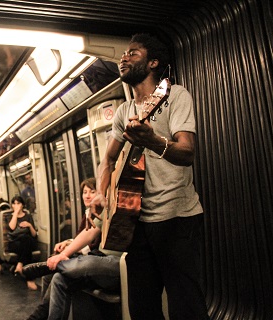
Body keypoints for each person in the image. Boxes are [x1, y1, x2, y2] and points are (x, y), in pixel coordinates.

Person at [92, 33, 208, 319]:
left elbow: (187, 152)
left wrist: (153, 140)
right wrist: (100, 192)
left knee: (186, 306)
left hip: (177, 218)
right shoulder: (124, 111)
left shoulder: (175, 96)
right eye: (123, 53)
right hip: (137, 222)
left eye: (133, 53)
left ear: (153, 62)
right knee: (142, 307)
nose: (124, 57)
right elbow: (107, 159)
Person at [25, 178, 120, 320]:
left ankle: (58, 266)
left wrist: (65, 253)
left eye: (93, 192)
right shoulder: (105, 210)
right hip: (98, 256)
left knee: (88, 262)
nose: (88, 196)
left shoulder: (129, 208)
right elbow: (88, 234)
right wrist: (64, 252)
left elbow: (90, 243)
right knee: (58, 278)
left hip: (114, 263)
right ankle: (42, 312)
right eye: (85, 192)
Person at [7, 195, 38, 290]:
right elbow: (12, 228)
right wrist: (16, 213)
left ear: (22, 205)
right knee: (26, 242)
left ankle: (19, 265)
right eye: (14, 203)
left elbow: (34, 234)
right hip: (14, 242)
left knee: (27, 239)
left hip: (27, 241)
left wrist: (29, 225)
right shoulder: (9, 217)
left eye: (18, 203)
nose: (16, 205)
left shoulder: (28, 216)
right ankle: (29, 279)